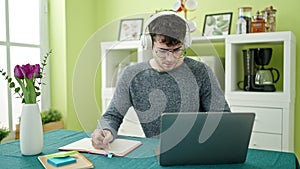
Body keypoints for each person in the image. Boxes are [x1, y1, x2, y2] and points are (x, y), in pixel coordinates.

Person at [91, 11, 231, 149]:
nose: (170, 58)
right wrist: (105, 131)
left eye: (177, 50)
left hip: (197, 150)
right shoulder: (132, 75)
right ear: (148, 43)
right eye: (163, 51)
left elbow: (223, 116)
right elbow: (113, 115)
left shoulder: (201, 71)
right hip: (156, 153)